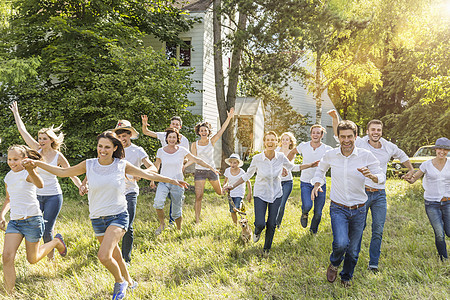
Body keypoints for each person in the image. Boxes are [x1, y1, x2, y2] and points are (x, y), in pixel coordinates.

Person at [22, 131, 188, 300]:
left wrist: (173, 181)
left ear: (115, 148)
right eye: (100, 146)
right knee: (115, 255)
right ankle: (130, 282)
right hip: (97, 218)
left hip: (118, 216)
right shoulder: (89, 164)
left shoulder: (121, 165)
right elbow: (63, 172)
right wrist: (37, 163)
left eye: (107, 147)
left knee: (103, 256)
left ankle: (119, 282)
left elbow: (149, 174)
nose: (102, 150)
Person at [328, 110, 414, 272]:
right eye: (373, 130)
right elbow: (339, 134)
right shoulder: (359, 143)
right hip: (362, 193)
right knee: (358, 228)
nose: (376, 132)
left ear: (381, 132)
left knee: (378, 229)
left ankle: (373, 263)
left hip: (380, 194)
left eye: (378, 130)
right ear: (367, 131)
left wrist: (411, 171)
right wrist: (335, 119)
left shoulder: (388, 146)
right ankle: (348, 252)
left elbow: (403, 156)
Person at [311, 120, 385, 287]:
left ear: (356, 137)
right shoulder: (331, 155)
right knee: (341, 243)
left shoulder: (365, 155)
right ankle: (335, 263)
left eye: (349, 136)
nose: (346, 140)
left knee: (353, 250)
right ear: (337, 137)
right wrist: (317, 183)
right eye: (342, 136)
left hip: (359, 210)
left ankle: (347, 276)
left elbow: (381, 174)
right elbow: (320, 170)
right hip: (338, 208)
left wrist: (373, 177)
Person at [10, 101, 82, 260]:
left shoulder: (58, 156)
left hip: (53, 196)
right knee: (37, 227)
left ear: (51, 139)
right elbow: (22, 131)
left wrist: (80, 186)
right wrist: (16, 113)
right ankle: (49, 247)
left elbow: (69, 173)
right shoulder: (36, 151)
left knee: (47, 228)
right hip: (35, 196)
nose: (41, 141)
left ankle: (51, 260)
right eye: (39, 138)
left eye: (44, 138)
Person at [0, 145, 67, 294]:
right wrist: (2, 215)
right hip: (15, 223)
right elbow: (8, 199)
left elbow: (40, 184)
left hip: (32, 221)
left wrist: (30, 169)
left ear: (24, 159)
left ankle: (56, 242)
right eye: (9, 159)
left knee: (33, 259)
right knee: (7, 256)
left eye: (15, 159)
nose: (12, 162)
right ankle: (9, 293)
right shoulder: (8, 177)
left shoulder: (28, 173)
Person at [224, 131, 294, 256]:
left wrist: (310, 165)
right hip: (260, 193)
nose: (270, 142)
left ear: (276, 142)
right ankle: (257, 230)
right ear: (264, 142)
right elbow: (247, 175)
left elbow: (293, 167)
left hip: (276, 194)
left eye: (273, 139)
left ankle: (266, 249)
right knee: (261, 223)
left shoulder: (281, 157)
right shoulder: (257, 158)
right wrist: (232, 185)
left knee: (272, 224)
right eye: (268, 140)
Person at [152, 128, 218, 235]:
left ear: (177, 139)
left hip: (178, 183)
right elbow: (156, 166)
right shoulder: (161, 151)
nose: (172, 139)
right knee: (158, 204)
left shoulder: (182, 150)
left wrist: (210, 167)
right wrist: (152, 179)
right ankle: (162, 224)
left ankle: (178, 229)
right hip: (163, 181)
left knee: (176, 211)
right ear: (166, 138)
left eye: (174, 137)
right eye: (170, 137)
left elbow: (196, 160)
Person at [110, 120, 157, 264]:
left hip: (130, 192)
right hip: (113, 193)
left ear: (130, 135)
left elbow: (153, 167)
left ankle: (126, 259)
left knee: (127, 225)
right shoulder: (112, 150)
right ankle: (111, 253)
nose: (122, 139)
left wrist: (142, 173)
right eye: (119, 136)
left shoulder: (138, 150)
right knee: (113, 224)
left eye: (125, 135)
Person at [404, 137, 450, 261]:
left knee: (449, 232)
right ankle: (443, 259)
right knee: (439, 234)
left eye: (445, 149)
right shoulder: (427, 165)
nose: (442, 152)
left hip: (448, 202)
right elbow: (414, 179)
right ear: (435, 150)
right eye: (440, 149)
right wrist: (408, 178)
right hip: (431, 204)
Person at [189, 108, 235, 223]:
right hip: (199, 171)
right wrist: (184, 164)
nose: (203, 132)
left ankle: (227, 186)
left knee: (220, 192)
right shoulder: (194, 144)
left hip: (212, 171)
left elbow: (222, 130)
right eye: (201, 131)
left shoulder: (212, 141)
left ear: (208, 132)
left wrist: (229, 118)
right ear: (198, 132)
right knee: (198, 196)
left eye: (205, 130)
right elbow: (193, 158)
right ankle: (197, 220)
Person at [141, 115, 189, 225]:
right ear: (170, 125)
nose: (175, 126)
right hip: (165, 168)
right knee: (160, 199)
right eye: (173, 124)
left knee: (176, 200)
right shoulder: (163, 136)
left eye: (177, 124)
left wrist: (182, 163)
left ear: (180, 127)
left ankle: (173, 221)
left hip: (177, 170)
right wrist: (144, 124)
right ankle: (163, 223)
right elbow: (146, 132)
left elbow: (187, 157)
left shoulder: (184, 141)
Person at [286, 126, 332, 233]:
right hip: (306, 182)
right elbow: (292, 153)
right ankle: (304, 213)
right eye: (313, 133)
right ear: (311, 134)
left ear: (321, 135)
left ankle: (312, 231)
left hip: (320, 183)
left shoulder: (327, 149)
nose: (315, 135)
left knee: (318, 213)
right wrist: (287, 166)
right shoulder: (304, 146)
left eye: (318, 133)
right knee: (307, 205)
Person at [222, 153, 252, 225]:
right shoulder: (227, 170)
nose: (232, 164)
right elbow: (225, 181)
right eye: (231, 162)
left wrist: (249, 193)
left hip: (239, 192)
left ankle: (241, 205)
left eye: (235, 163)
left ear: (238, 163)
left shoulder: (242, 172)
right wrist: (224, 188)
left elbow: (248, 182)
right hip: (231, 193)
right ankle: (235, 224)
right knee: (232, 211)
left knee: (236, 208)